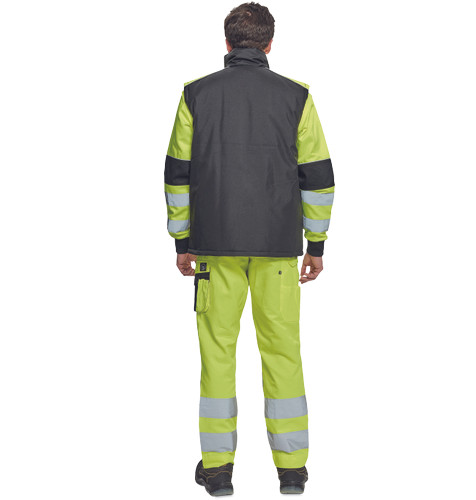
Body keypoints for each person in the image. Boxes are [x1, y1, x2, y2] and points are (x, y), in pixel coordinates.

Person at [164, 2, 334, 495]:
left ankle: (218, 471)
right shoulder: (297, 97)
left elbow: (177, 174)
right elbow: (318, 176)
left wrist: (182, 240)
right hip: (278, 249)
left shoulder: (195, 94)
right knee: (283, 353)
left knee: (217, 355)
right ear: (269, 44)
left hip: (214, 248)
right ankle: (292, 470)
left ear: (227, 42)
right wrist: (316, 244)